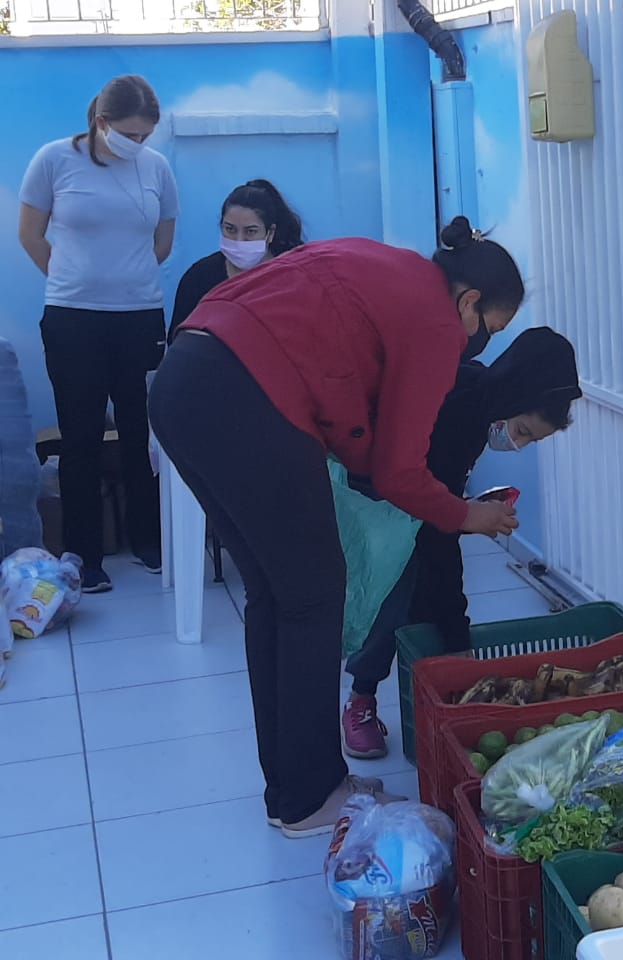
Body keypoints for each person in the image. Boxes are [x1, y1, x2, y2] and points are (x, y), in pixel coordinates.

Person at [148, 216, 524, 838]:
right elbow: (399, 472)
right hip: (244, 395)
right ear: (470, 302)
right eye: (488, 329)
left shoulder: (384, 260)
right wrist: (470, 517)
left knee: (276, 593)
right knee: (313, 596)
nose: (479, 343)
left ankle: (296, 788)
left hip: (182, 382)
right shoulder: (436, 321)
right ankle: (308, 797)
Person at [341, 327, 582, 759]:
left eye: (531, 440)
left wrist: (464, 512)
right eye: (523, 430)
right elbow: (435, 531)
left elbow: (439, 504)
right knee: (394, 596)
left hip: (410, 506)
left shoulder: (479, 396)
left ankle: (439, 693)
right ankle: (361, 698)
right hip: (371, 500)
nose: (519, 444)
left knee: (425, 597)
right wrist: (459, 633)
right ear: (513, 394)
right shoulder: (459, 408)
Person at [18, 74, 178, 593]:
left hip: (140, 317)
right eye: (130, 135)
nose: (139, 145)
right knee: (82, 436)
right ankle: (84, 555)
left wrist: (124, 281)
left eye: (146, 137)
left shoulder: (156, 168)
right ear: (102, 123)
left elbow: (163, 239)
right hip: (73, 319)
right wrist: (75, 282)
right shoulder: (53, 160)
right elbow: (30, 233)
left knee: (144, 434)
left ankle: (149, 540)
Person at [169, 179, 305, 341]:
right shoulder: (199, 277)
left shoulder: (290, 279)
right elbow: (178, 342)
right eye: (230, 229)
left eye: (250, 231)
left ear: (270, 233)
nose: (239, 240)